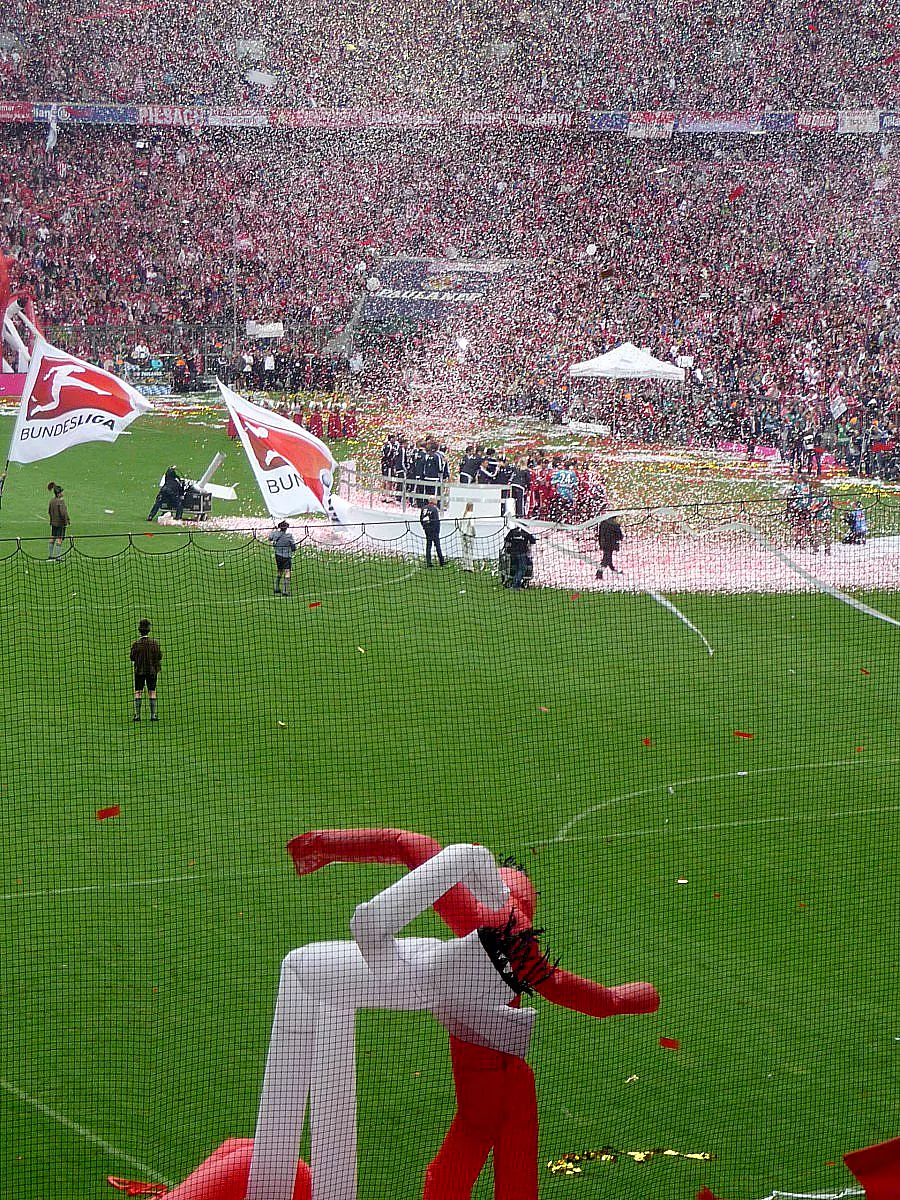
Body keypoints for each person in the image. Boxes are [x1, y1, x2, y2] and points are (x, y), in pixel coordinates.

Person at [287, 828, 659, 1200]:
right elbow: (563, 988)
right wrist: (622, 999)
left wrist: (325, 845)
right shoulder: (514, 940)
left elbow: (405, 844)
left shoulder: (471, 914)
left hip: (476, 1045)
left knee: (494, 1124)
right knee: (492, 1130)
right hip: (489, 1054)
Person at [130, 617, 162, 722]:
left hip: (139, 671)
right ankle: (153, 715)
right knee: (152, 691)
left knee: (138, 691)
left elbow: (132, 657)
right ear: (149, 630)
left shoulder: (136, 644)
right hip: (152, 671)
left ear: (139, 630)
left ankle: (137, 716)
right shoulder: (154, 643)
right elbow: (159, 656)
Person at [268, 520, 298, 596]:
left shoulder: (275, 534)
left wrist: (273, 530)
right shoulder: (289, 536)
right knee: (287, 572)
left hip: (278, 556)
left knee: (280, 571)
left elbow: (270, 538)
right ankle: (285, 591)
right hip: (286, 556)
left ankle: (276, 588)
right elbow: (293, 547)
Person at [502, 525, 536, 589]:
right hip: (521, 553)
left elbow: (506, 540)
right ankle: (516, 585)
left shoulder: (512, 531)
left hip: (512, 554)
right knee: (522, 569)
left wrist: (508, 549)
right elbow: (533, 541)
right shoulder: (526, 532)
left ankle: (514, 581)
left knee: (514, 568)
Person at [46, 481, 69, 561]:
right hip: (60, 524)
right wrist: (66, 521)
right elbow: (63, 513)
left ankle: (50, 555)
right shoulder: (60, 501)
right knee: (59, 539)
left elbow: (49, 511)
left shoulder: (52, 501)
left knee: (52, 538)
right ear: (59, 493)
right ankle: (58, 556)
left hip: (53, 523)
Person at [420, 498, 445, 567]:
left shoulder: (424, 508)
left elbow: (421, 519)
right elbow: (436, 521)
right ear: (433, 501)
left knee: (428, 546)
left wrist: (424, 527)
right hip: (434, 530)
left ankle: (428, 562)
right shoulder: (434, 509)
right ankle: (441, 561)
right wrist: (437, 531)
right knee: (437, 546)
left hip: (427, 529)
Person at [459, 502, 476, 572]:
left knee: (464, 551)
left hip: (463, 533)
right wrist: (474, 532)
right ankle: (470, 567)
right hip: (469, 534)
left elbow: (460, 524)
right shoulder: (471, 514)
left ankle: (465, 566)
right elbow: (472, 525)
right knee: (470, 551)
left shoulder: (463, 513)